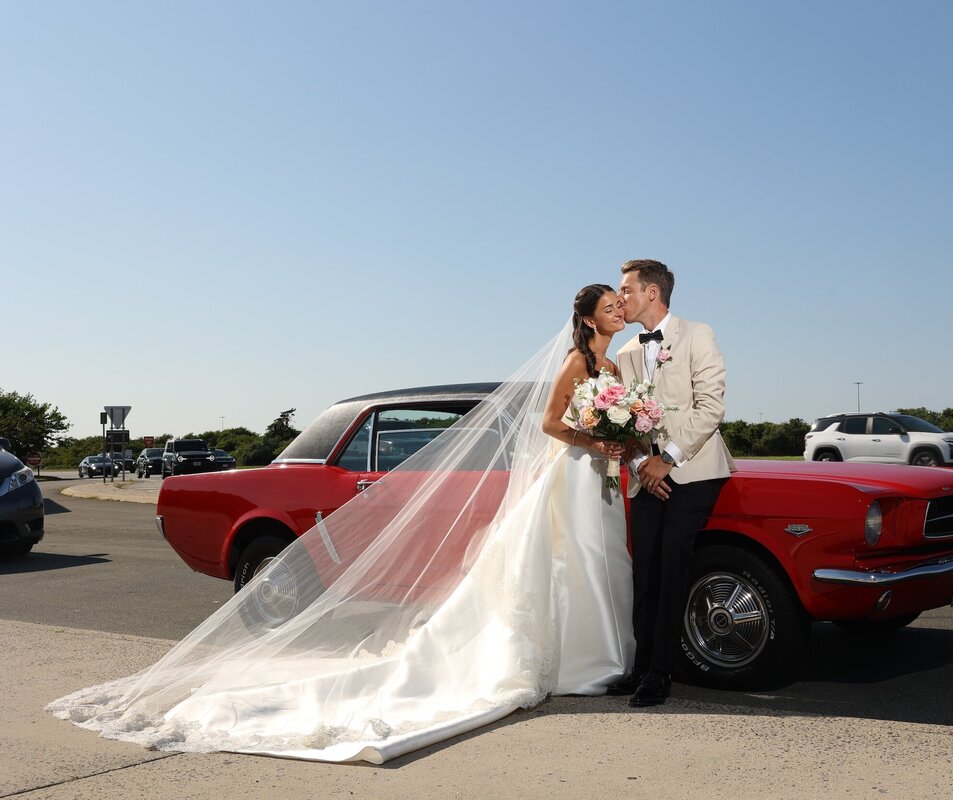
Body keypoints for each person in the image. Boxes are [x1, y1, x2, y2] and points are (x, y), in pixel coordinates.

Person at [48, 284, 634, 764]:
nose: (618, 310)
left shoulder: (607, 363)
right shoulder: (576, 362)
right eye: (609, 305)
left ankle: (594, 653)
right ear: (584, 317)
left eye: (620, 304)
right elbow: (550, 427)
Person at [609, 259, 736, 708]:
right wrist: (645, 461)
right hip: (648, 474)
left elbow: (710, 407)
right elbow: (624, 422)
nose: (619, 297)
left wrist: (668, 461)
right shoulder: (625, 354)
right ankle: (641, 666)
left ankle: (661, 674)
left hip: (694, 472)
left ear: (651, 293)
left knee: (670, 569)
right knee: (644, 574)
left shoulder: (697, 334)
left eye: (626, 289)